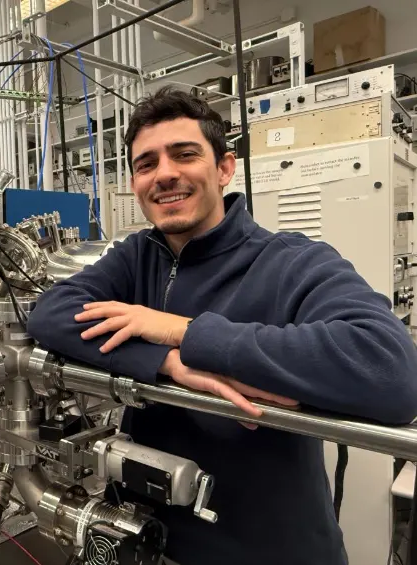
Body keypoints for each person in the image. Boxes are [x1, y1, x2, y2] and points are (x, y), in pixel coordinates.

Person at [26, 87, 417, 565]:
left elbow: (391, 370)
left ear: (225, 168)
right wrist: (167, 362)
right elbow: (50, 311)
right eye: (147, 164)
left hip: (268, 550)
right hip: (149, 539)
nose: (165, 174)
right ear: (135, 184)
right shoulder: (136, 258)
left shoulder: (291, 261)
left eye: (184, 155)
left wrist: (184, 333)